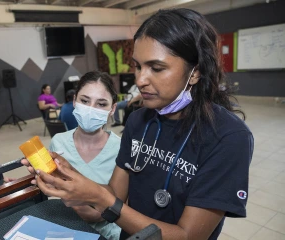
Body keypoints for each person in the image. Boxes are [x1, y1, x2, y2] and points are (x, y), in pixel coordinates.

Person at [24, 9, 253, 240]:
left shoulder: (228, 137)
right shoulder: (138, 120)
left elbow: (187, 236)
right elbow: (115, 194)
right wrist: (65, 173)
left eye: (156, 68)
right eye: (138, 66)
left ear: (195, 73)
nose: (140, 80)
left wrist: (101, 199)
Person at [45, 71, 121, 239]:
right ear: (74, 101)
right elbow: (50, 187)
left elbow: (123, 204)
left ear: (112, 109)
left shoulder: (121, 149)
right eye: (85, 101)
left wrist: (96, 212)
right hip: (63, 229)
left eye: (101, 104)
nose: (90, 110)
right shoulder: (58, 142)